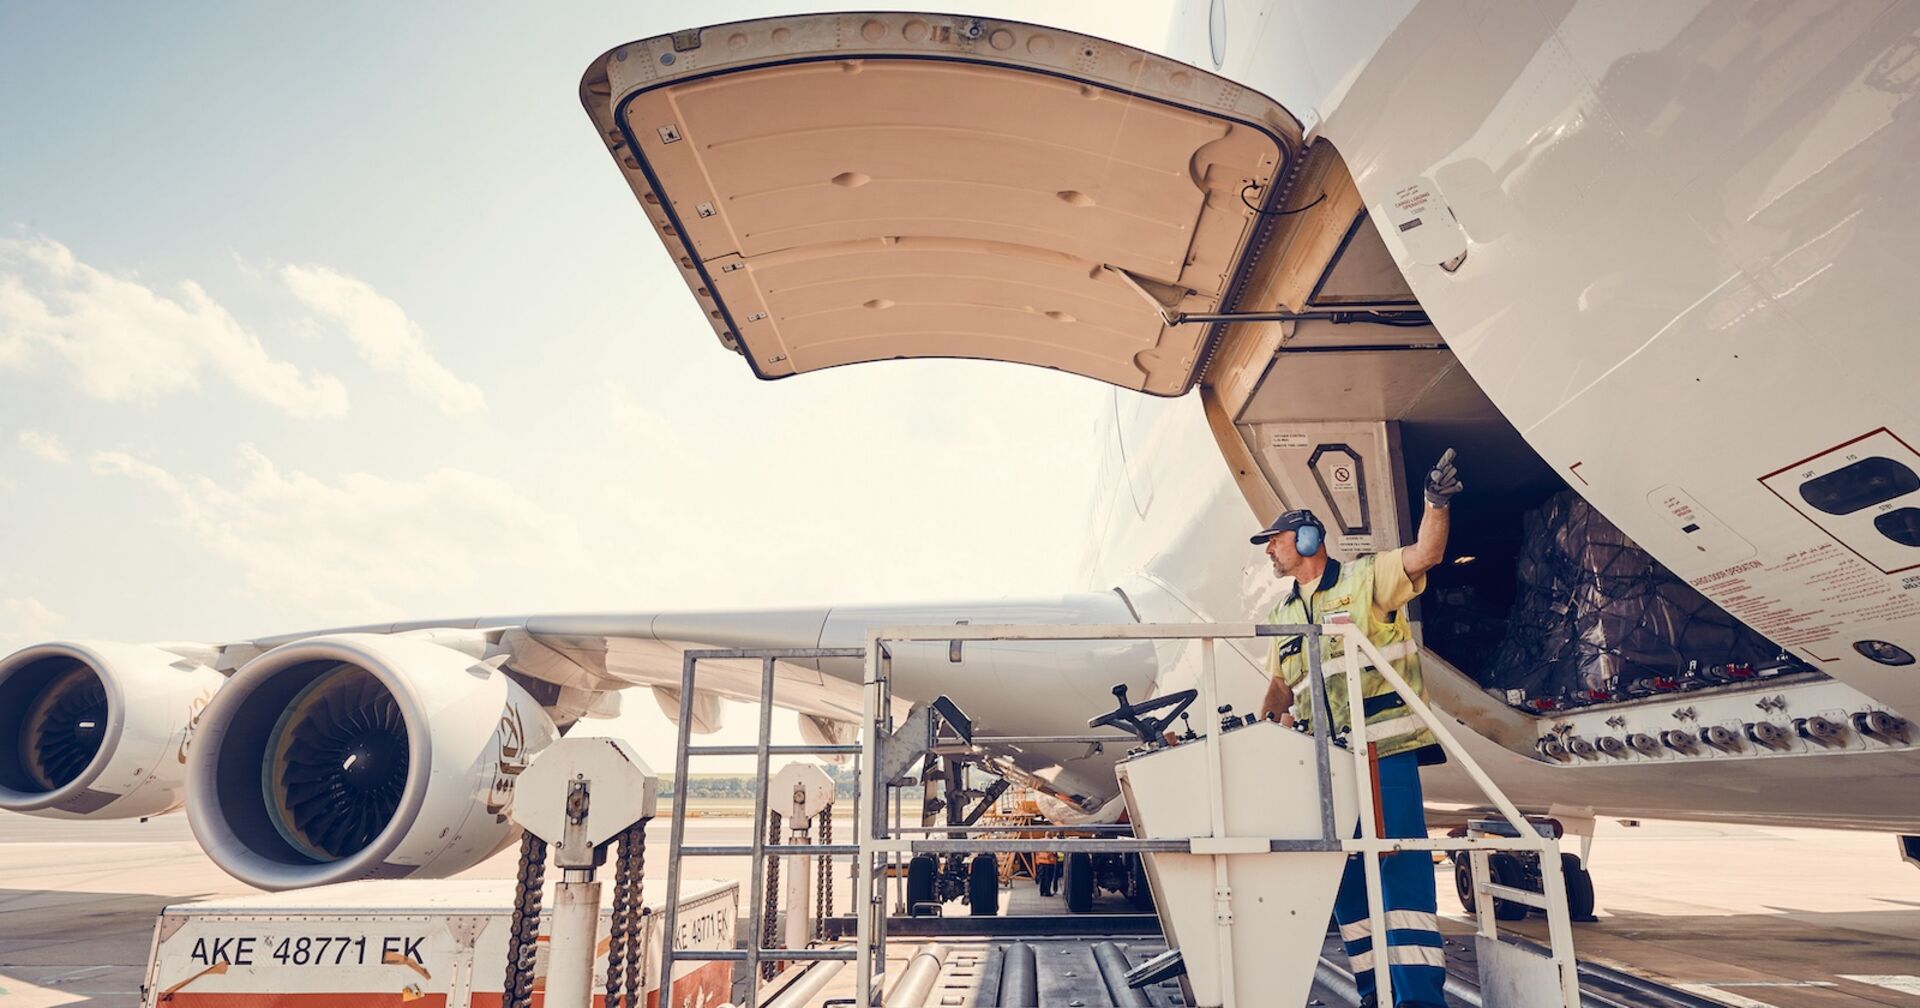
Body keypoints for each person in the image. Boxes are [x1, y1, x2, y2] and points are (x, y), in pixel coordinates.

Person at [1251, 449, 1462, 1008]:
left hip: (1384, 751)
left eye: (1274, 540)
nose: (1269, 550)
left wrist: (1435, 503)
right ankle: (1376, 992)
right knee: (1345, 880)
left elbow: (1427, 553)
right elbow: (1280, 685)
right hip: (1328, 761)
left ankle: (1417, 999)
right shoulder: (1285, 615)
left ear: (1305, 539)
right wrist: (1266, 711)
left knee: (1399, 872)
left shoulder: (1367, 577)